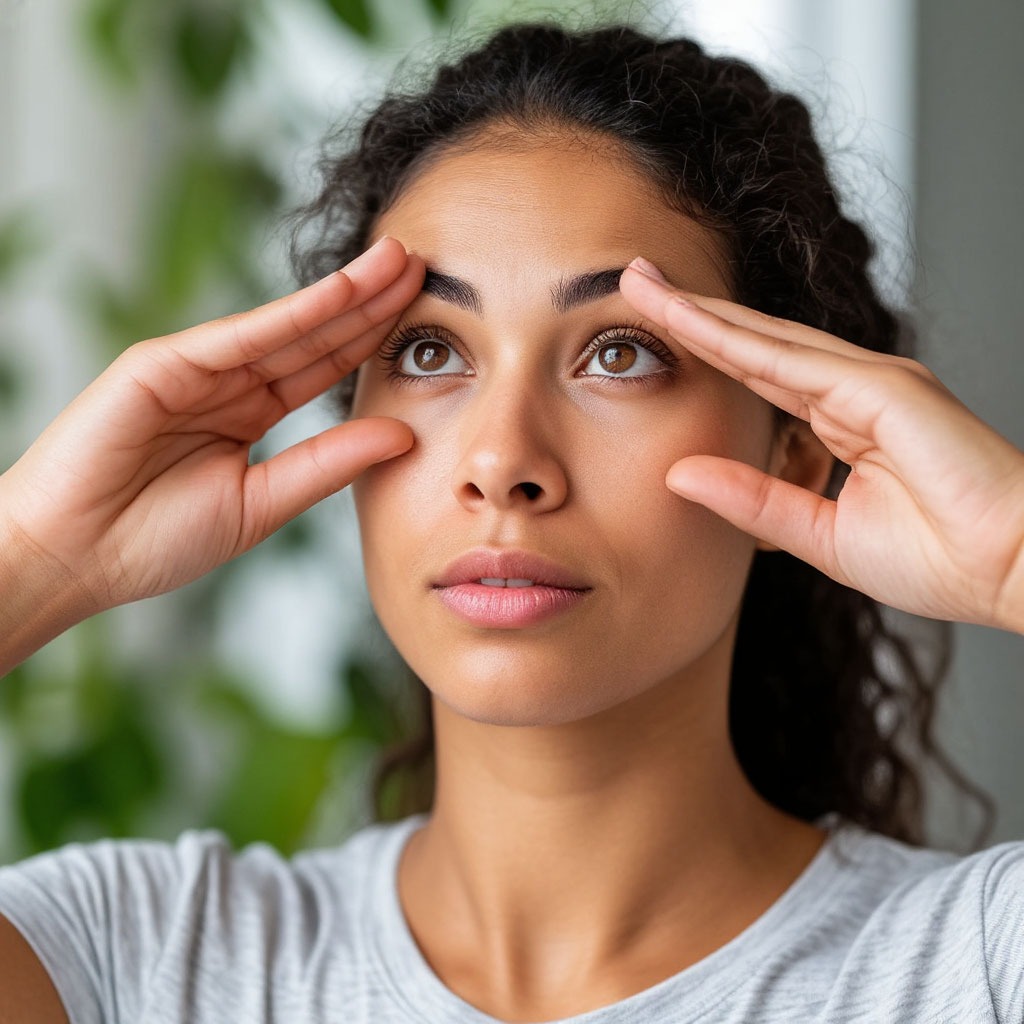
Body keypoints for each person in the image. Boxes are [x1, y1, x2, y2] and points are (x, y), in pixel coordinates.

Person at [0, 20, 1022, 1024]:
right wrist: (30, 557)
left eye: (619, 353)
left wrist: (1014, 551)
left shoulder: (977, 970)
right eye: (430, 352)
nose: (501, 462)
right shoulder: (126, 961)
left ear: (790, 454)